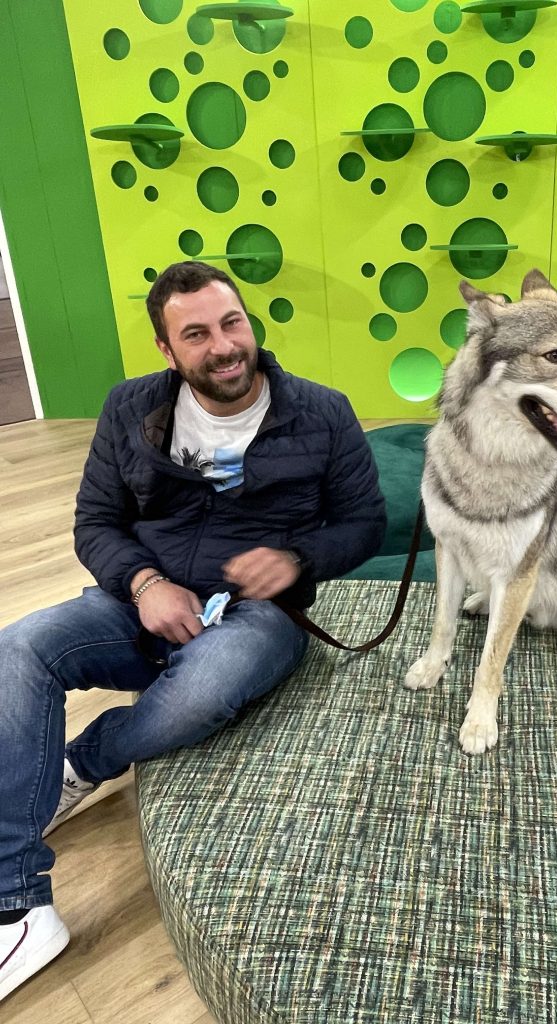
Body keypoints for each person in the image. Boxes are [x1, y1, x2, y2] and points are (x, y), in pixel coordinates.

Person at [0, 261, 386, 1001]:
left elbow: (365, 524)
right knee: (19, 647)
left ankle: (85, 759)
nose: (223, 346)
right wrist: (145, 584)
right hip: (140, 598)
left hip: (259, 614)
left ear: (250, 323)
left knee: (202, 691)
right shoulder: (128, 407)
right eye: (197, 334)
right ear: (166, 349)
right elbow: (96, 522)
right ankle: (14, 903)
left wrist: (300, 558)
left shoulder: (324, 412)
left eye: (232, 322)